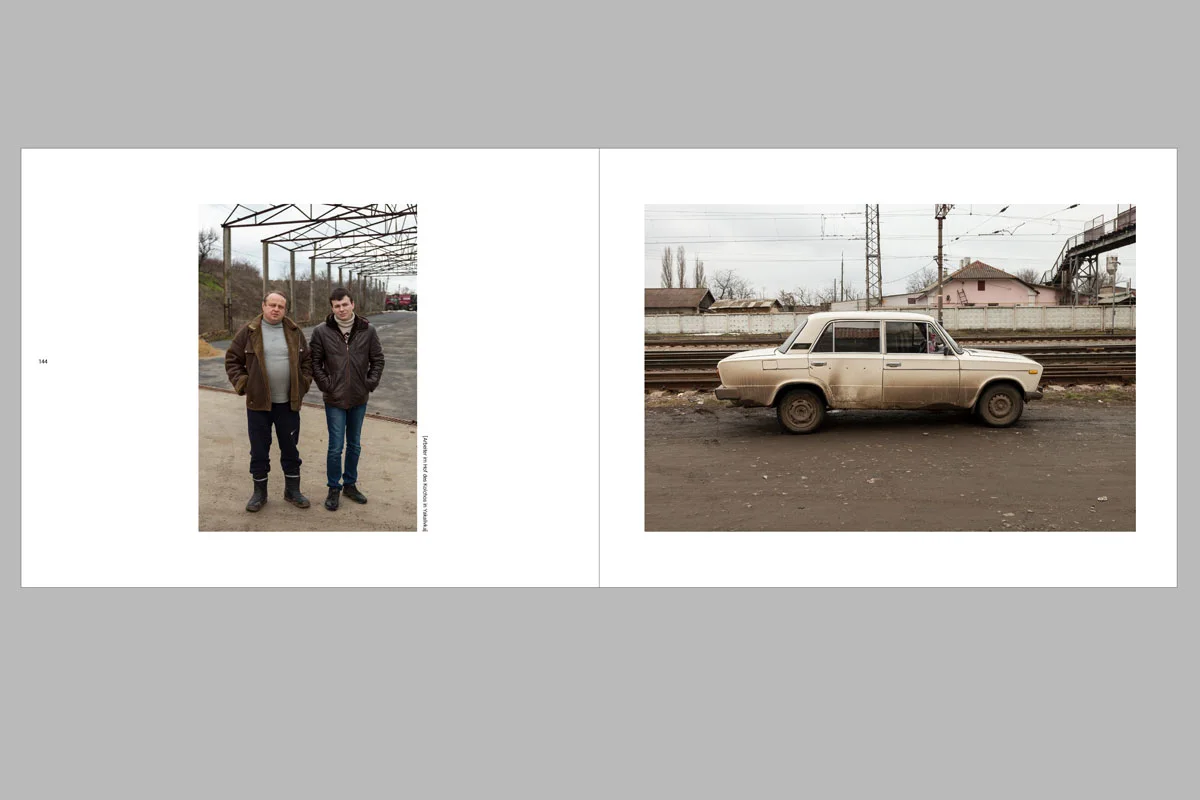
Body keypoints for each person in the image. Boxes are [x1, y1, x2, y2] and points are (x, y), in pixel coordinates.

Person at [224, 292, 314, 512]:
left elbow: (307, 361)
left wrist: (303, 383)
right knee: (259, 450)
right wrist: (244, 384)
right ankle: (259, 494)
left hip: (288, 404)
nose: (276, 309)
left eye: (281, 306)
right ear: (263, 306)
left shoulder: (294, 332)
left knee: (290, 448)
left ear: (285, 310)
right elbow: (232, 360)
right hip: (258, 405)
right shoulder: (249, 331)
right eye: (272, 305)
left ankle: (292, 491)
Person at [309, 288, 385, 511]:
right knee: (335, 447)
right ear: (332, 308)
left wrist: (369, 383)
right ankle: (334, 488)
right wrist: (326, 384)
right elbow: (315, 362)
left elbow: (378, 359)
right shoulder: (321, 332)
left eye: (344, 304)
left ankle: (350, 484)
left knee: (354, 445)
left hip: (359, 397)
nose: (341, 309)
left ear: (353, 304)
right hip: (334, 398)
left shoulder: (367, 330)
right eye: (336, 306)